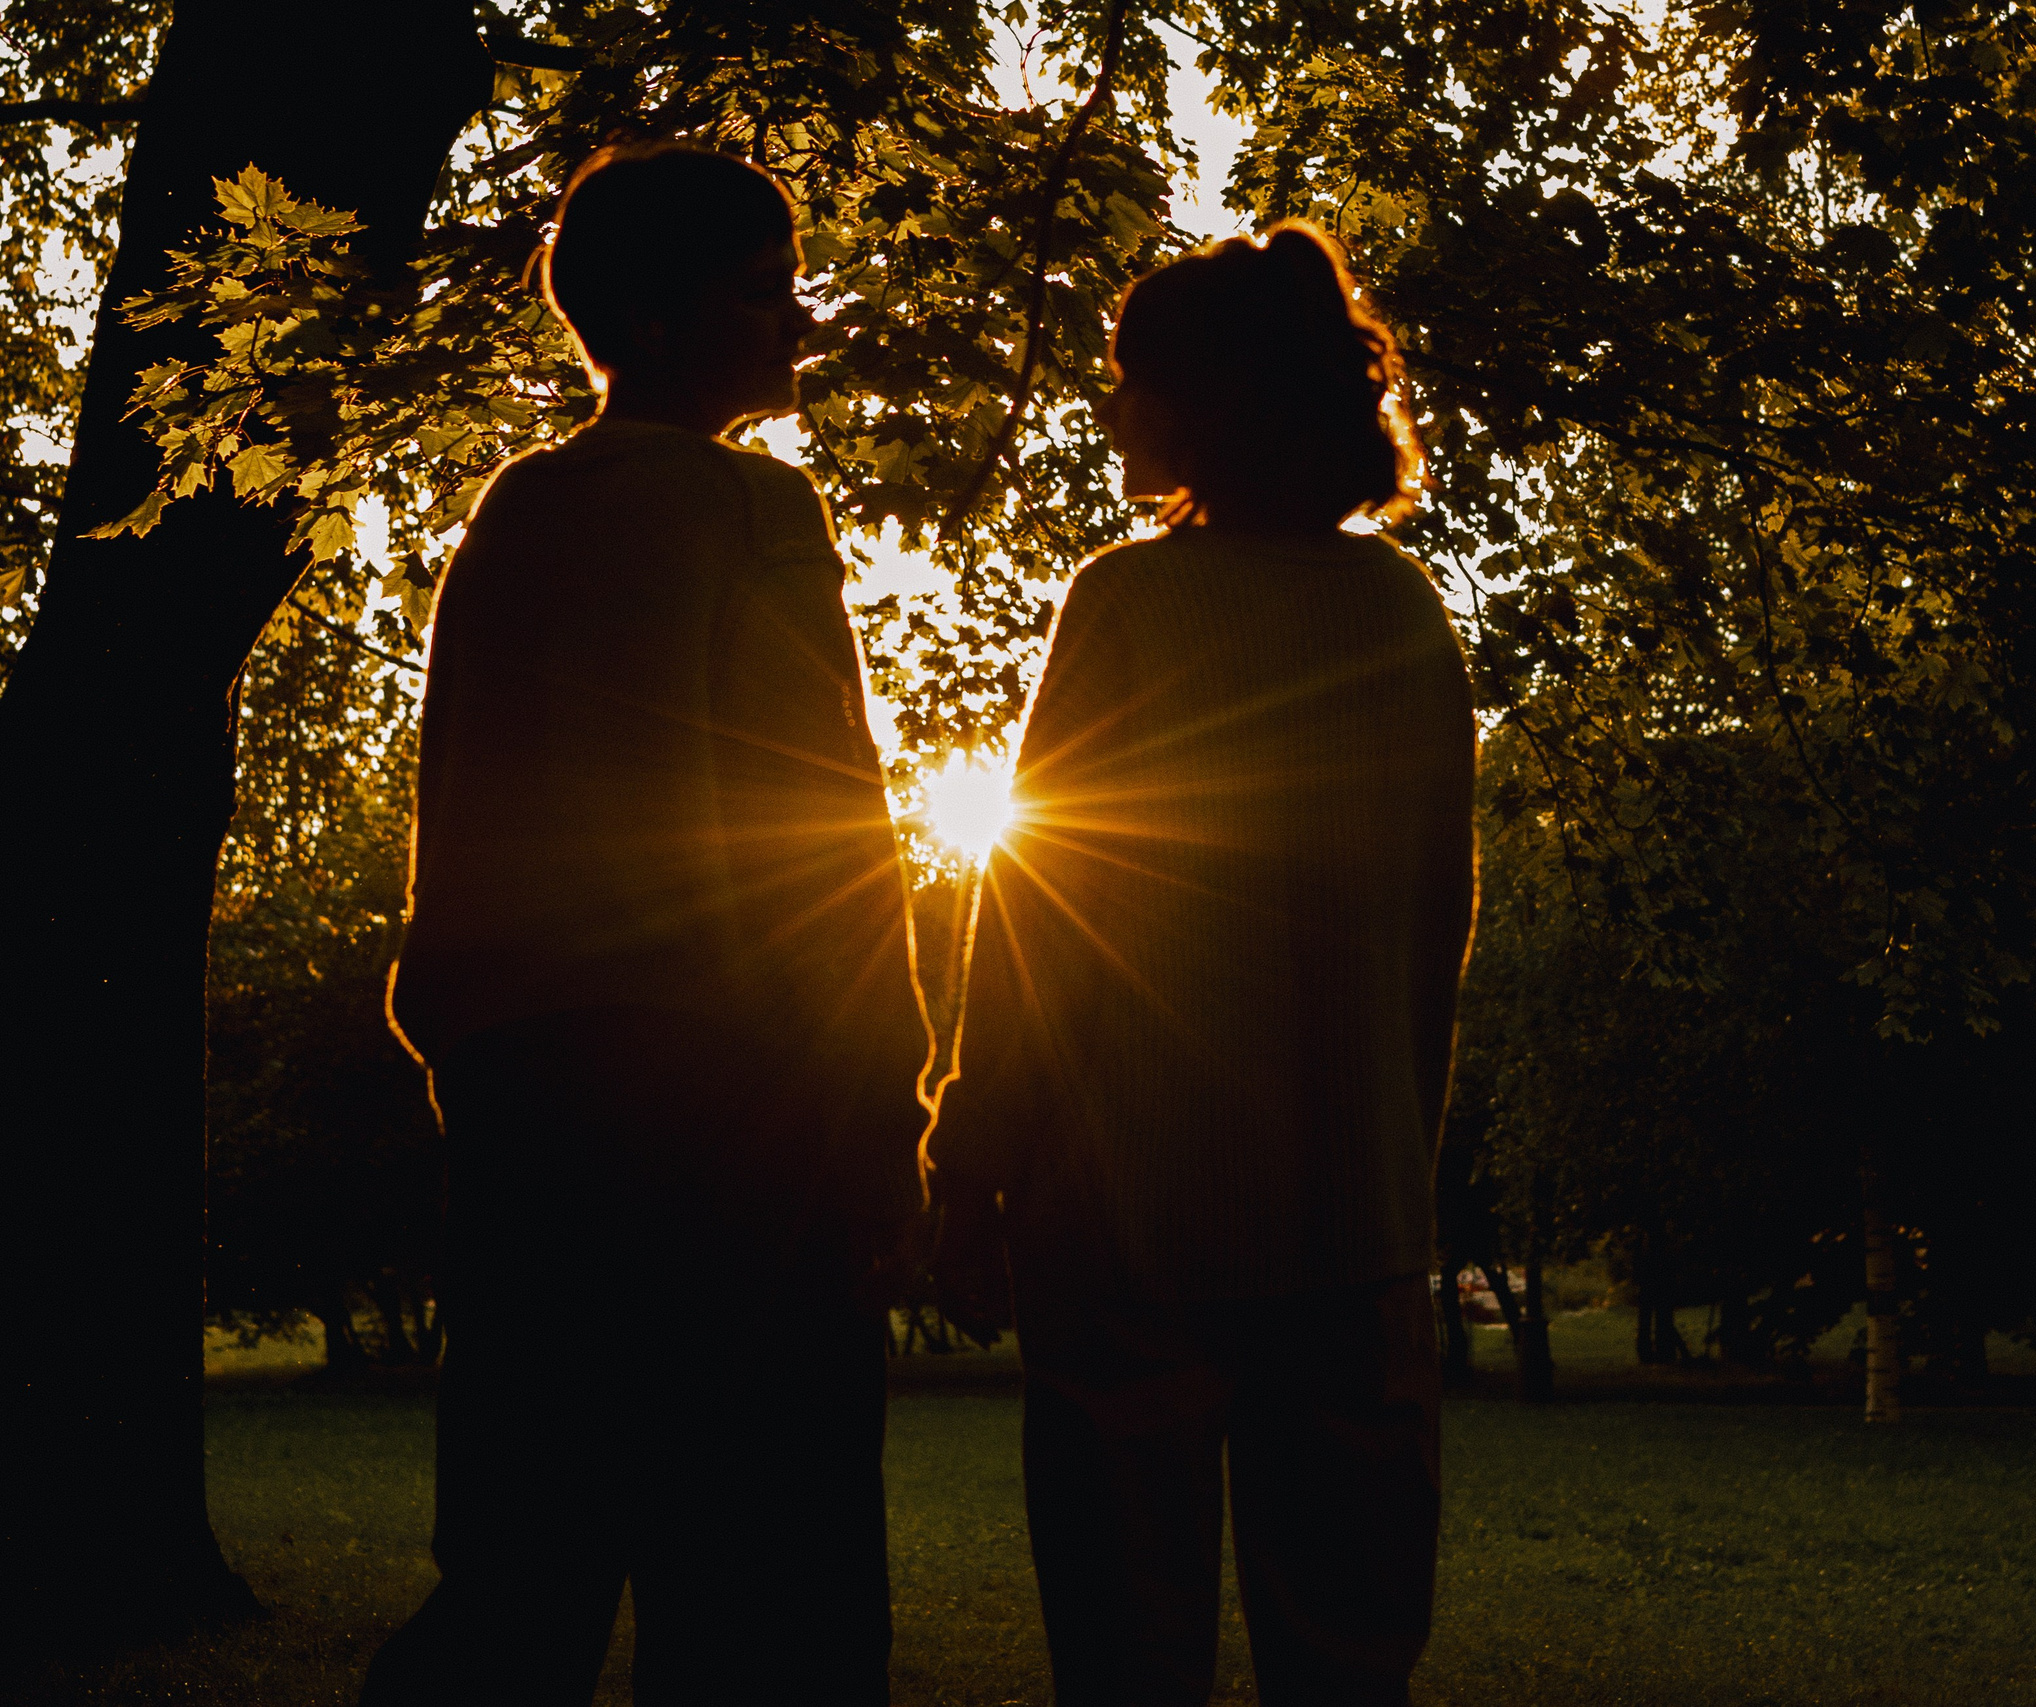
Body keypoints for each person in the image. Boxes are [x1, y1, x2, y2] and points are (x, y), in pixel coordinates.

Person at [364, 143, 932, 1706]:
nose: (797, 324)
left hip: (529, 1113)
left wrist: (472, 1050)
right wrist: (886, 1106)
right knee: (772, 1587)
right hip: (740, 1115)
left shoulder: (515, 517)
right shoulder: (758, 513)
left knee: (519, 1569)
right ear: (669, 321)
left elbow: (457, 815)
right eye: (767, 293)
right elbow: (826, 828)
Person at [930, 222, 1478, 1707]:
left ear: (1206, 402)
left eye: (1128, 380)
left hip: (1131, 1219)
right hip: (1349, 1223)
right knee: (1350, 1651)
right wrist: (1390, 1171)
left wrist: (969, 1152)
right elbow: (1436, 930)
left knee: (1127, 1650)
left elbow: (1046, 904)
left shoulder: (1133, 603)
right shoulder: (1404, 618)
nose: (1108, 410)